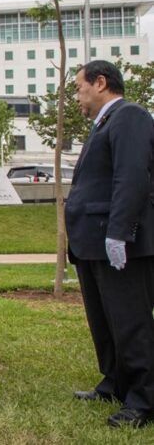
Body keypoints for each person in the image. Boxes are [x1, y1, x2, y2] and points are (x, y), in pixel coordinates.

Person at [67, 60, 154, 428]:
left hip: (119, 242)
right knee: (104, 321)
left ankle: (144, 399)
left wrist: (119, 232)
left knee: (129, 322)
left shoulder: (129, 116)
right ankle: (115, 381)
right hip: (91, 243)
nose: (76, 97)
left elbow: (131, 176)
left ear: (100, 83)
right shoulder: (102, 124)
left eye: (78, 88)